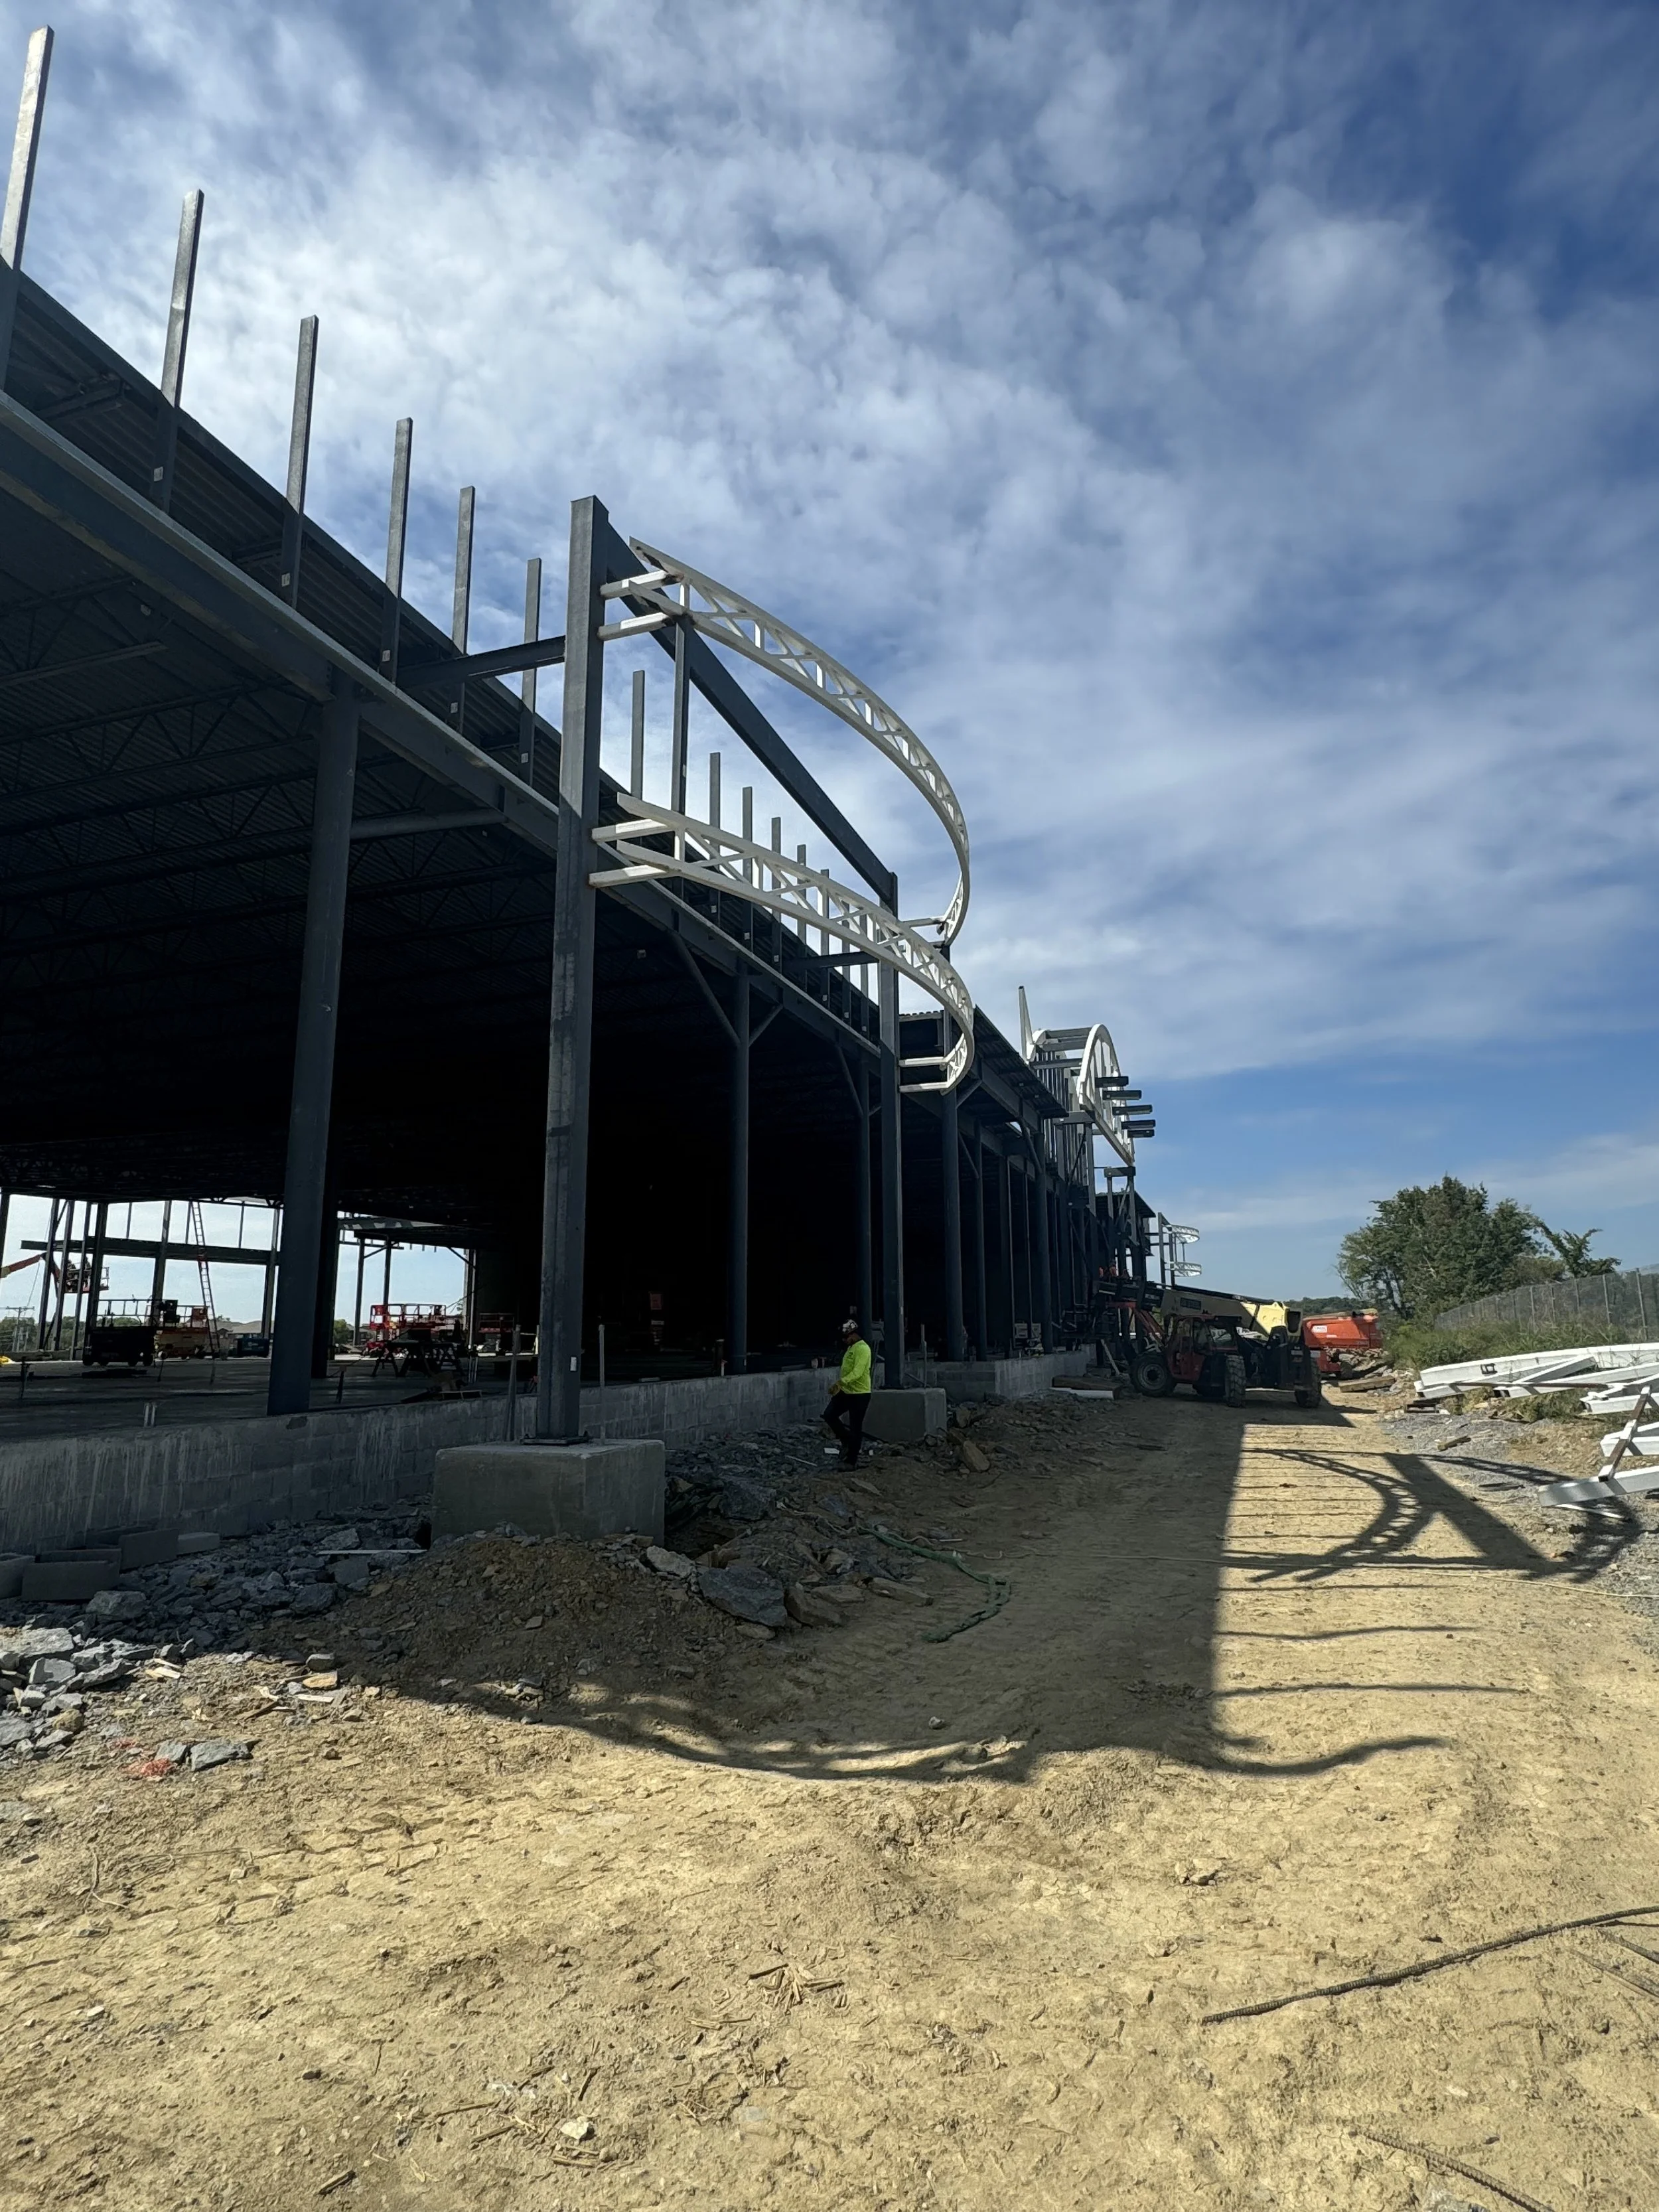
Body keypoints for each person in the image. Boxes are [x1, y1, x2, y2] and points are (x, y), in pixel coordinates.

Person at [823, 1316, 873, 1467]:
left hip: (860, 1394)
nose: (845, 1341)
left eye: (846, 1338)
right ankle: (846, 1441)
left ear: (854, 1334)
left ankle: (852, 1460)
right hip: (846, 1391)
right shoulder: (851, 1348)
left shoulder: (863, 1349)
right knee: (829, 1415)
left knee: (856, 1426)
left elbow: (857, 1372)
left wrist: (840, 1383)